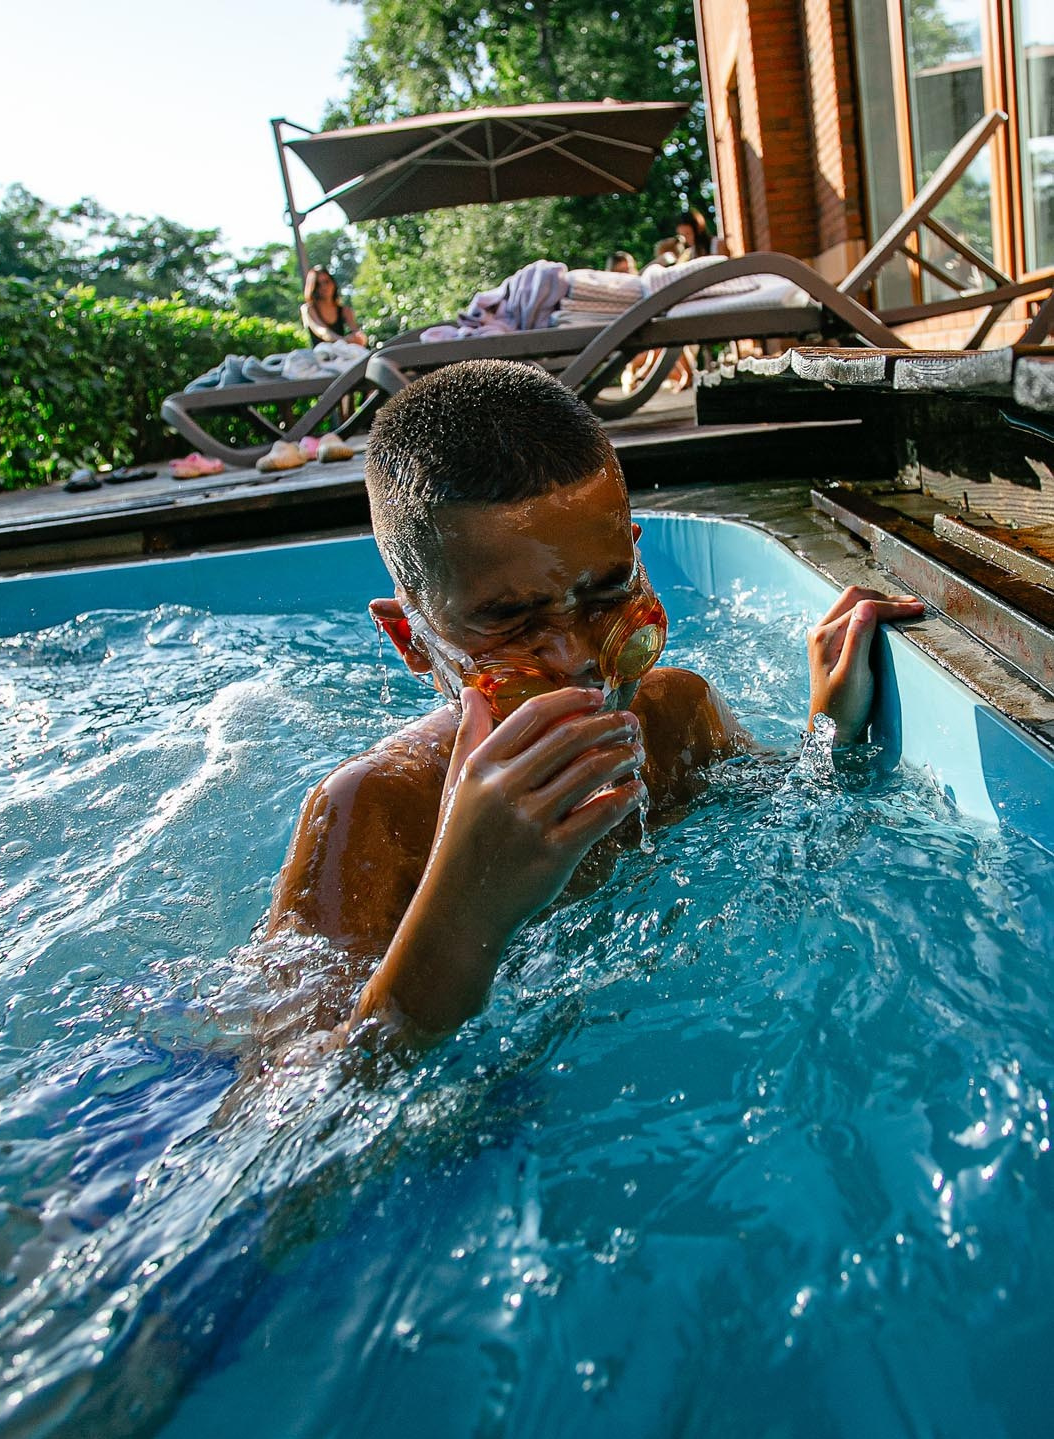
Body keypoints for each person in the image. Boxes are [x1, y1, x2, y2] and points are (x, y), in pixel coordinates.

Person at [266, 360, 923, 1047]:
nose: (576, 654)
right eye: (513, 621)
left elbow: (796, 833)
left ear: (633, 559)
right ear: (411, 639)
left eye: (606, 592)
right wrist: (468, 904)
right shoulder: (374, 811)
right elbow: (290, 1116)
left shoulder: (676, 718)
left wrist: (829, 732)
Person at [302, 267, 367, 350]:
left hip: (342, 354)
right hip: (322, 357)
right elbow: (322, 332)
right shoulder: (309, 309)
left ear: (333, 283)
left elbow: (357, 332)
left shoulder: (345, 310)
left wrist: (359, 338)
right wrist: (343, 340)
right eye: (318, 284)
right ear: (313, 288)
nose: (324, 287)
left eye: (326, 281)